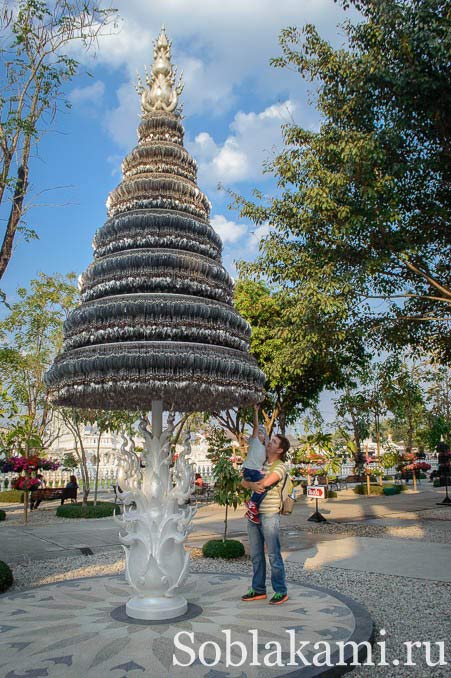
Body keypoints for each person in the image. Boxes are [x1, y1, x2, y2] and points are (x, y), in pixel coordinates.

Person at [241, 433, 291, 606]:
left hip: (270, 514)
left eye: (274, 442)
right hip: (254, 515)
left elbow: (268, 481)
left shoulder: (280, 466)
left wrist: (253, 483)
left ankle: (281, 591)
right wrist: (252, 483)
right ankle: (258, 589)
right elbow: (243, 481)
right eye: (271, 440)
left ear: (280, 449)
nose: (270, 443)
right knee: (255, 554)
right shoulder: (260, 463)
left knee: (273, 555)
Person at [242, 405, 270, 524]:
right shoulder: (255, 441)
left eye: (261, 433)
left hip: (255, 471)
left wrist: (262, 470)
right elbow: (255, 426)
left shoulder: (264, 449)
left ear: (265, 436)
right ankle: (252, 503)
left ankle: (251, 512)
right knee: (263, 486)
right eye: (258, 432)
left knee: (262, 488)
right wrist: (255, 411)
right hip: (249, 470)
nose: (259, 434)